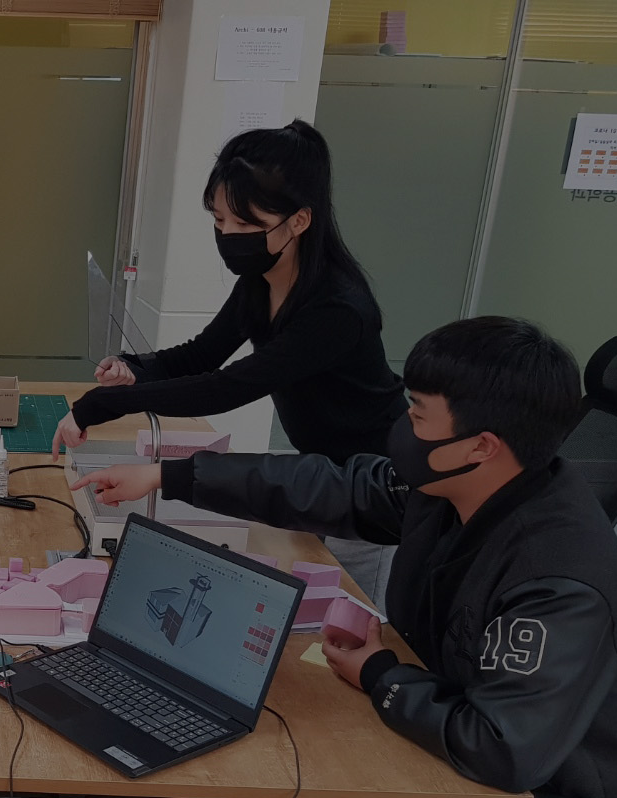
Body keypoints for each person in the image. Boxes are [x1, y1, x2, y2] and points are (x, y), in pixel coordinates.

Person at [74, 317, 617, 798]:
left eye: (417, 414)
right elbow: (335, 487)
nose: (400, 428)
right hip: (465, 723)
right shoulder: (460, 485)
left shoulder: (557, 575)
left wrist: (380, 675)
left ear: (481, 444)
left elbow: (502, 749)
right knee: (301, 755)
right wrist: (172, 477)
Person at [54, 120, 405, 605]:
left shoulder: (336, 309)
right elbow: (202, 354)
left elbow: (228, 387)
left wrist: (101, 405)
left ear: (300, 220)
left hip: (373, 482)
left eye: (245, 224)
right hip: (322, 472)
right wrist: (134, 368)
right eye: (220, 221)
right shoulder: (261, 280)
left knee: (349, 616)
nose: (228, 235)